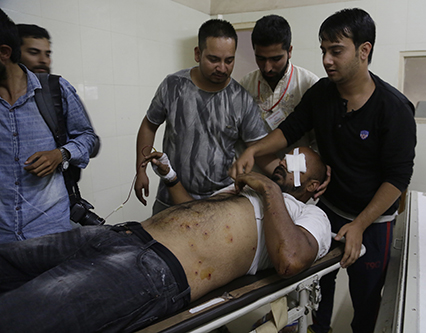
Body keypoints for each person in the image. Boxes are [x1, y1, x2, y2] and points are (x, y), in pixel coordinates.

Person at [0, 147, 331, 333]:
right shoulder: (246, 193)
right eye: (287, 157)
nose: (287, 162)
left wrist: (269, 186)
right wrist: (169, 174)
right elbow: (192, 215)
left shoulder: (307, 214)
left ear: (313, 184)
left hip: (150, 271)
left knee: (18, 316)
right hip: (119, 235)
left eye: (297, 164)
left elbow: (290, 259)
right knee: (8, 260)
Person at [230, 8, 417, 333]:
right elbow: (289, 130)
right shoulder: (322, 94)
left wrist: (359, 225)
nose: (327, 60)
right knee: (318, 288)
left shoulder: (394, 109)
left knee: (366, 299)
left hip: (373, 223)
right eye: (323, 51)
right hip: (328, 210)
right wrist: (254, 149)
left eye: (336, 51)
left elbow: (397, 179)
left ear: (364, 50)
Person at [135, 18, 276, 215]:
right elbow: (149, 125)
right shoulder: (173, 86)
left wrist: (291, 176)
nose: (222, 68)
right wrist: (140, 170)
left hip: (219, 203)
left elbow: (259, 150)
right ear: (197, 54)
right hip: (170, 199)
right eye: (214, 59)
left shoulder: (241, 100)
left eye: (229, 60)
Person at [0, 10, 99, 243]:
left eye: (46, 53)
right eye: (34, 52)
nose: (43, 60)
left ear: (4, 53)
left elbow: (88, 138)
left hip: (52, 234)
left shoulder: (56, 90)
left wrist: (61, 154)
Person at [239, 14, 319, 158]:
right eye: (261, 58)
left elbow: (318, 142)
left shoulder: (308, 84)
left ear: (289, 51)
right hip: (256, 171)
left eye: (276, 59)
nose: (268, 67)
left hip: (296, 176)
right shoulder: (245, 85)